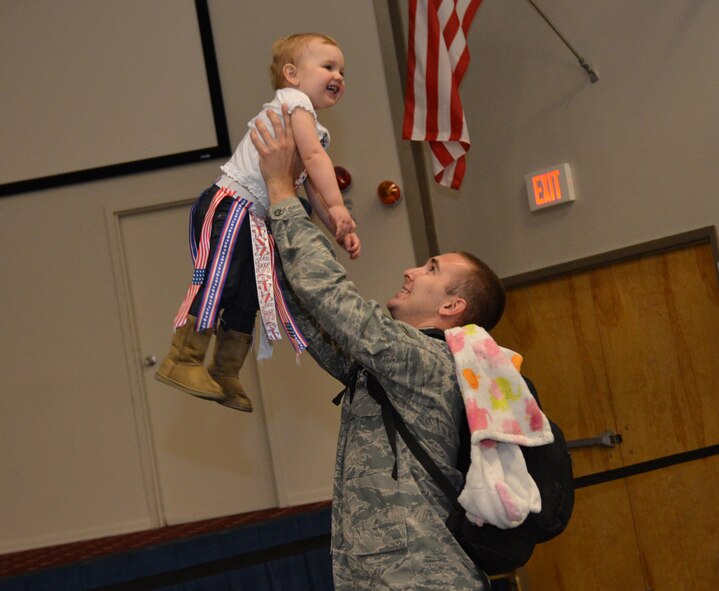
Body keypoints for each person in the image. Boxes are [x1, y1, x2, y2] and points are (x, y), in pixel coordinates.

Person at [251, 105, 505, 590]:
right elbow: (315, 312)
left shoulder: (429, 359)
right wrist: (276, 216)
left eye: (430, 269)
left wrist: (283, 192)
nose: (411, 271)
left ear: (453, 305)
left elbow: (333, 299)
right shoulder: (391, 362)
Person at [155, 33, 360, 413]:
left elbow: (308, 183)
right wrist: (337, 203)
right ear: (292, 74)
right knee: (221, 279)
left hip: (255, 217)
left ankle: (226, 370)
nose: (339, 76)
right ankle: (182, 358)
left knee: (248, 293)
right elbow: (314, 162)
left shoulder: (313, 127)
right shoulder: (293, 102)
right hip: (231, 204)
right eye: (328, 66)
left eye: (343, 71)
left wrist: (337, 223)